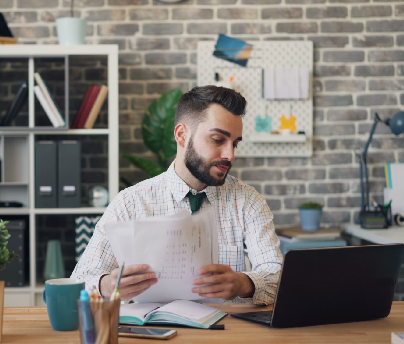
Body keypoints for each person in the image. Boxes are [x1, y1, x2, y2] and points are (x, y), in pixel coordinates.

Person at [71, 85, 283, 305]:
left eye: (235, 144)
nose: (230, 155)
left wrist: (243, 284)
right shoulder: (130, 202)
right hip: (153, 335)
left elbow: (278, 278)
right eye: (218, 140)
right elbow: (79, 281)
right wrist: (107, 286)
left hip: (228, 335)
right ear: (182, 135)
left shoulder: (248, 201)